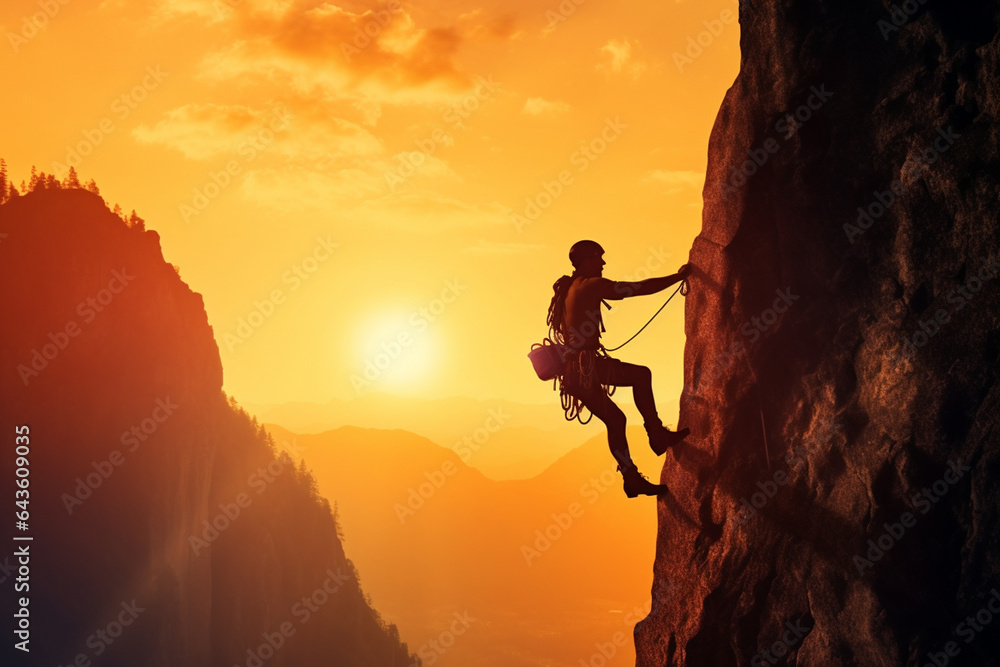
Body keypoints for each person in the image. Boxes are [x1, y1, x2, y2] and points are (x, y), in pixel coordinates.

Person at [546, 240, 690, 498]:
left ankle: (631, 476)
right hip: (586, 368)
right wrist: (677, 278)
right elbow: (634, 289)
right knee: (640, 376)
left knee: (616, 419)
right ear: (585, 262)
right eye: (598, 258)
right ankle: (656, 436)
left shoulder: (569, 289)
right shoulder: (591, 285)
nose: (602, 263)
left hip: (574, 372)